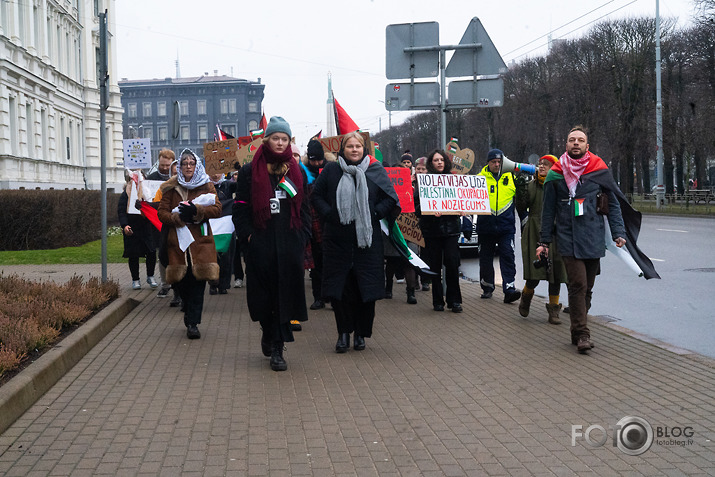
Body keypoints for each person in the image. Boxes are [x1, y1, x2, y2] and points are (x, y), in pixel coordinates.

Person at [537, 126, 627, 353]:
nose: (576, 143)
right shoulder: (556, 174)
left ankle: (578, 328)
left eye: (580, 140)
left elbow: (614, 205)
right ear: (566, 145)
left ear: (587, 145)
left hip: (593, 237)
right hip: (567, 237)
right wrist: (543, 242)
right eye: (571, 140)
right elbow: (547, 212)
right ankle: (582, 334)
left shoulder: (599, 170)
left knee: (587, 288)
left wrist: (618, 233)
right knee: (577, 284)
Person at [233, 117, 311, 371]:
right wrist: (249, 238)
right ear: (267, 140)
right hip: (261, 243)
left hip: (289, 244)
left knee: (285, 295)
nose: (280, 143)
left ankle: (278, 348)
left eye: (284, 139)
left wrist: (302, 237)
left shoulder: (295, 170)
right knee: (264, 297)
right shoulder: (249, 171)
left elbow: (305, 207)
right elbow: (240, 209)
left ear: (289, 142)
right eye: (276, 138)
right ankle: (268, 331)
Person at [311, 132, 400, 353]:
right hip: (337, 240)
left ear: (364, 149)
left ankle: (361, 333)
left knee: (365, 291)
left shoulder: (375, 170)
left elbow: (391, 198)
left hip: (367, 242)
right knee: (341, 290)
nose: (354, 150)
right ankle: (343, 333)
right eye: (349, 146)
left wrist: (374, 213)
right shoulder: (332, 170)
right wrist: (329, 213)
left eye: (357, 146)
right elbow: (316, 196)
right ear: (343, 149)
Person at [157, 149, 221, 340]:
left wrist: (198, 210)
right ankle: (188, 312)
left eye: (191, 163)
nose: (187, 167)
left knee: (198, 283)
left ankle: (193, 323)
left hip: (201, 242)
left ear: (196, 165)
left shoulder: (206, 185)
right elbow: (162, 212)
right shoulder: (170, 186)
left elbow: (217, 208)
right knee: (183, 283)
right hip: (178, 242)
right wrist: (176, 217)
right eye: (184, 163)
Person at [515, 155, 568, 324]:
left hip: (555, 231)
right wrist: (521, 188)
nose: (541, 167)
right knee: (535, 273)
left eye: (546, 164)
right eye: (540, 164)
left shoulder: (559, 185)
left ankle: (554, 310)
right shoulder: (532, 186)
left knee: (556, 273)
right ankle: (526, 295)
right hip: (535, 231)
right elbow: (522, 207)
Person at [416, 149, 463, 313]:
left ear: (446, 162)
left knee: (452, 264)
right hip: (432, 231)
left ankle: (455, 300)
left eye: (442, 159)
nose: (439, 162)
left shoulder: (454, 180)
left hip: (451, 231)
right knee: (434, 267)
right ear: (431, 163)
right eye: (436, 160)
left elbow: (462, 200)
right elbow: (417, 209)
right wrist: (428, 210)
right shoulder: (424, 182)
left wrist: (463, 209)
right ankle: (437, 301)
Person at [476, 149, 521, 304]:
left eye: (499, 162)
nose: (496, 164)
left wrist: (525, 219)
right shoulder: (479, 178)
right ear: (488, 162)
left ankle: (509, 288)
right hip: (485, 226)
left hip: (506, 227)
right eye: (493, 162)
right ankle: (487, 287)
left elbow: (521, 200)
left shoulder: (512, 177)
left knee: (508, 255)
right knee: (485, 258)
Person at [300, 138, 329, 311]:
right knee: (316, 265)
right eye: (313, 160)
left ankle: (331, 296)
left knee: (331, 264)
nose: (316, 163)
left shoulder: (331, 169)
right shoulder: (303, 172)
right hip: (312, 223)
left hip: (330, 223)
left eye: (318, 159)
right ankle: (318, 297)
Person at [118, 171, 158, 290]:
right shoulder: (126, 194)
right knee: (133, 254)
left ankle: (150, 276)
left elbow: (154, 207)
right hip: (132, 228)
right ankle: (135, 279)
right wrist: (125, 225)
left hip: (146, 227)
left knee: (151, 251)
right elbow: (121, 211)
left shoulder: (147, 193)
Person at [147, 148, 176, 298]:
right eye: (162, 165)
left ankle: (177, 285)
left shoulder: (180, 178)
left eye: (167, 165)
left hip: (175, 222)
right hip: (158, 223)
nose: (164, 168)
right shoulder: (151, 178)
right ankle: (165, 284)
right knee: (162, 254)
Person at [208, 172, 235, 295]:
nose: (215, 175)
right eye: (213, 171)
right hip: (211, 224)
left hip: (226, 225)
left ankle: (224, 284)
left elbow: (242, 186)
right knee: (212, 255)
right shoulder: (205, 186)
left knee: (226, 255)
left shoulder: (228, 185)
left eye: (218, 171)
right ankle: (213, 283)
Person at [413, 156, 431, 292]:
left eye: (423, 169)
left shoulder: (431, 182)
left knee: (426, 253)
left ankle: (425, 280)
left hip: (426, 222)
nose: (420, 171)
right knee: (413, 253)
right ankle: (413, 279)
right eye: (418, 169)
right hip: (412, 222)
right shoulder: (410, 182)